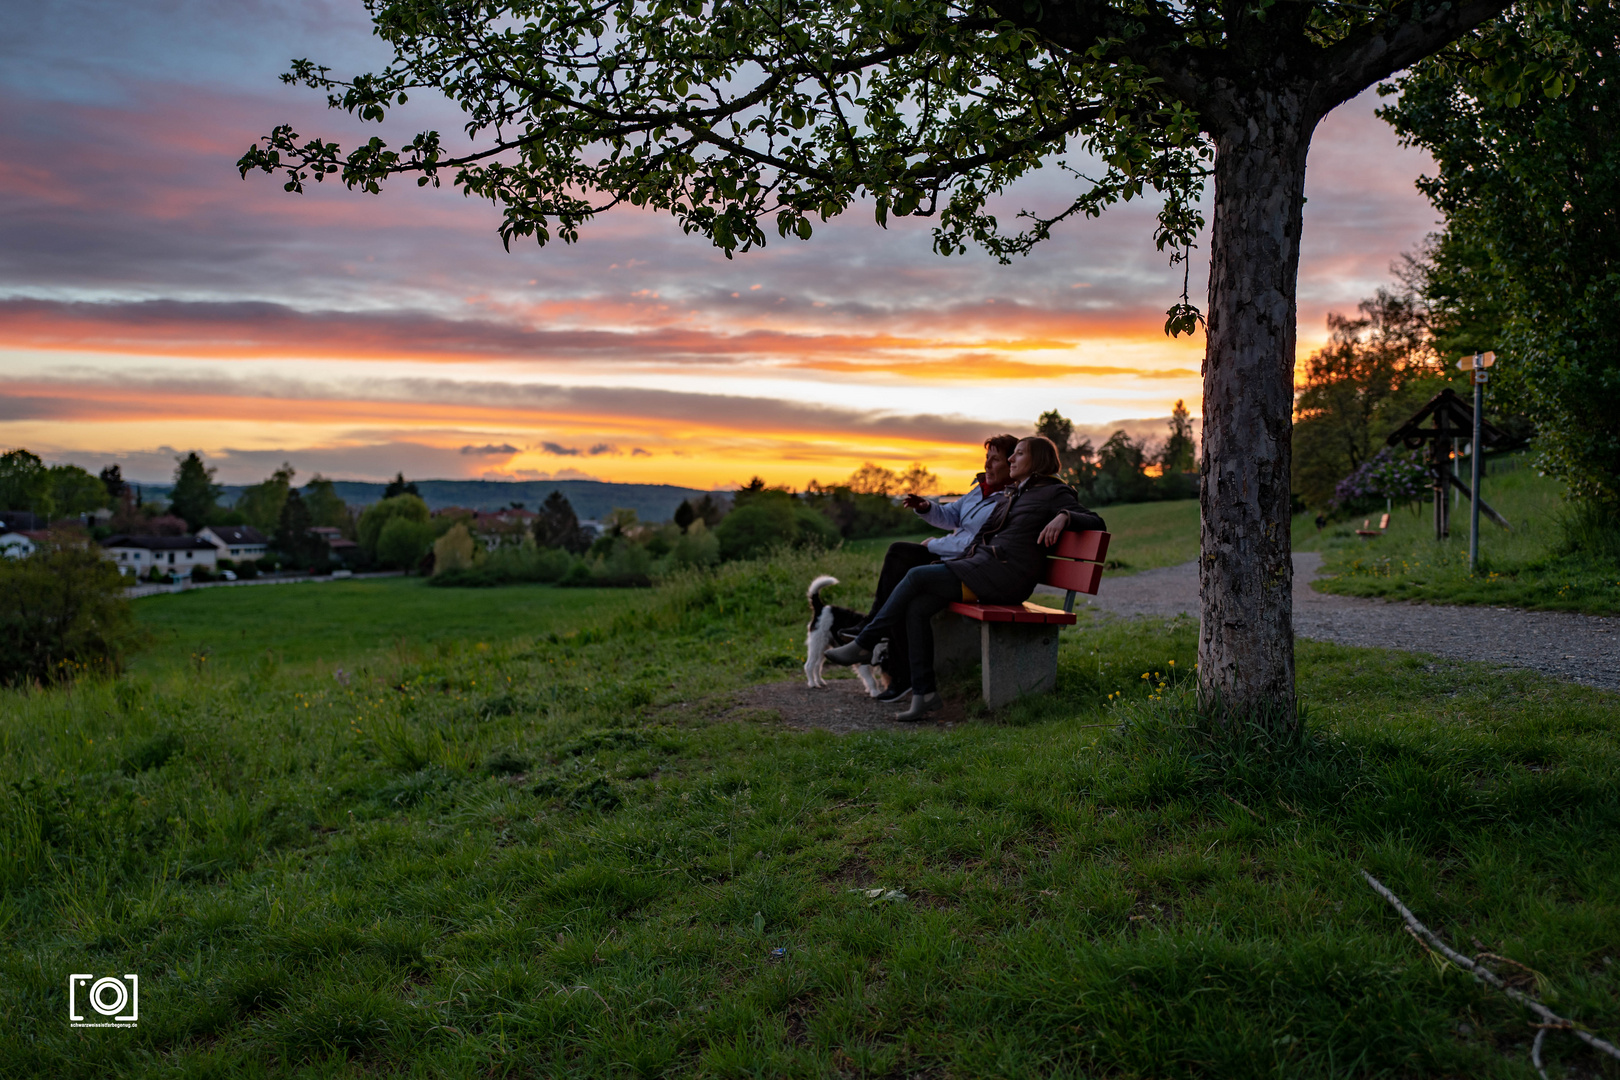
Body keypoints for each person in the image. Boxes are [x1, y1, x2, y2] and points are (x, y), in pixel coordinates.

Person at [825, 435, 1105, 720]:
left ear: (1038, 461)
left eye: (1018, 454)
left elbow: (1096, 521)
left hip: (1003, 579)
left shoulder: (1054, 492)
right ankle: (924, 694)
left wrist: (1065, 517)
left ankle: (866, 641)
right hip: (986, 569)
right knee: (918, 606)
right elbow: (980, 533)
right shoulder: (1017, 492)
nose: (1011, 460)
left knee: (915, 576)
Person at [859, 434, 1017, 702]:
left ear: (1012, 464)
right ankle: (900, 668)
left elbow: (972, 544)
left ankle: (875, 629)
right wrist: (927, 508)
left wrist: (933, 545)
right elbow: (951, 515)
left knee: (901, 556)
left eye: (996, 460)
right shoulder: (980, 489)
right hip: (955, 564)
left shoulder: (1008, 501)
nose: (988, 465)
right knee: (906, 588)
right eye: (987, 458)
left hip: (970, 571)